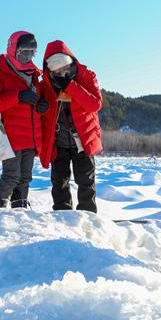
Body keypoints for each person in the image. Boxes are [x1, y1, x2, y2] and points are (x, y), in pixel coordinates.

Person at [39, 40, 103, 212]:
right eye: (57, 71)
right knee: (59, 182)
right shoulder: (45, 84)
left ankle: (88, 216)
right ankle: (62, 216)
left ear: (70, 62)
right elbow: (40, 112)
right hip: (58, 141)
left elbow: (95, 104)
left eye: (64, 68)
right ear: (50, 70)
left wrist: (71, 86)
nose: (62, 73)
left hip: (82, 139)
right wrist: (40, 108)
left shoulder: (87, 76)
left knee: (86, 181)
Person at [0, 32, 45, 208]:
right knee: (11, 176)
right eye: (24, 52)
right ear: (13, 50)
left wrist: (42, 106)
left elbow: (35, 102)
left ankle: (20, 210)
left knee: (25, 177)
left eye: (32, 52)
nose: (28, 56)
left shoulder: (34, 75)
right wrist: (18, 96)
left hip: (31, 135)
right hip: (9, 135)